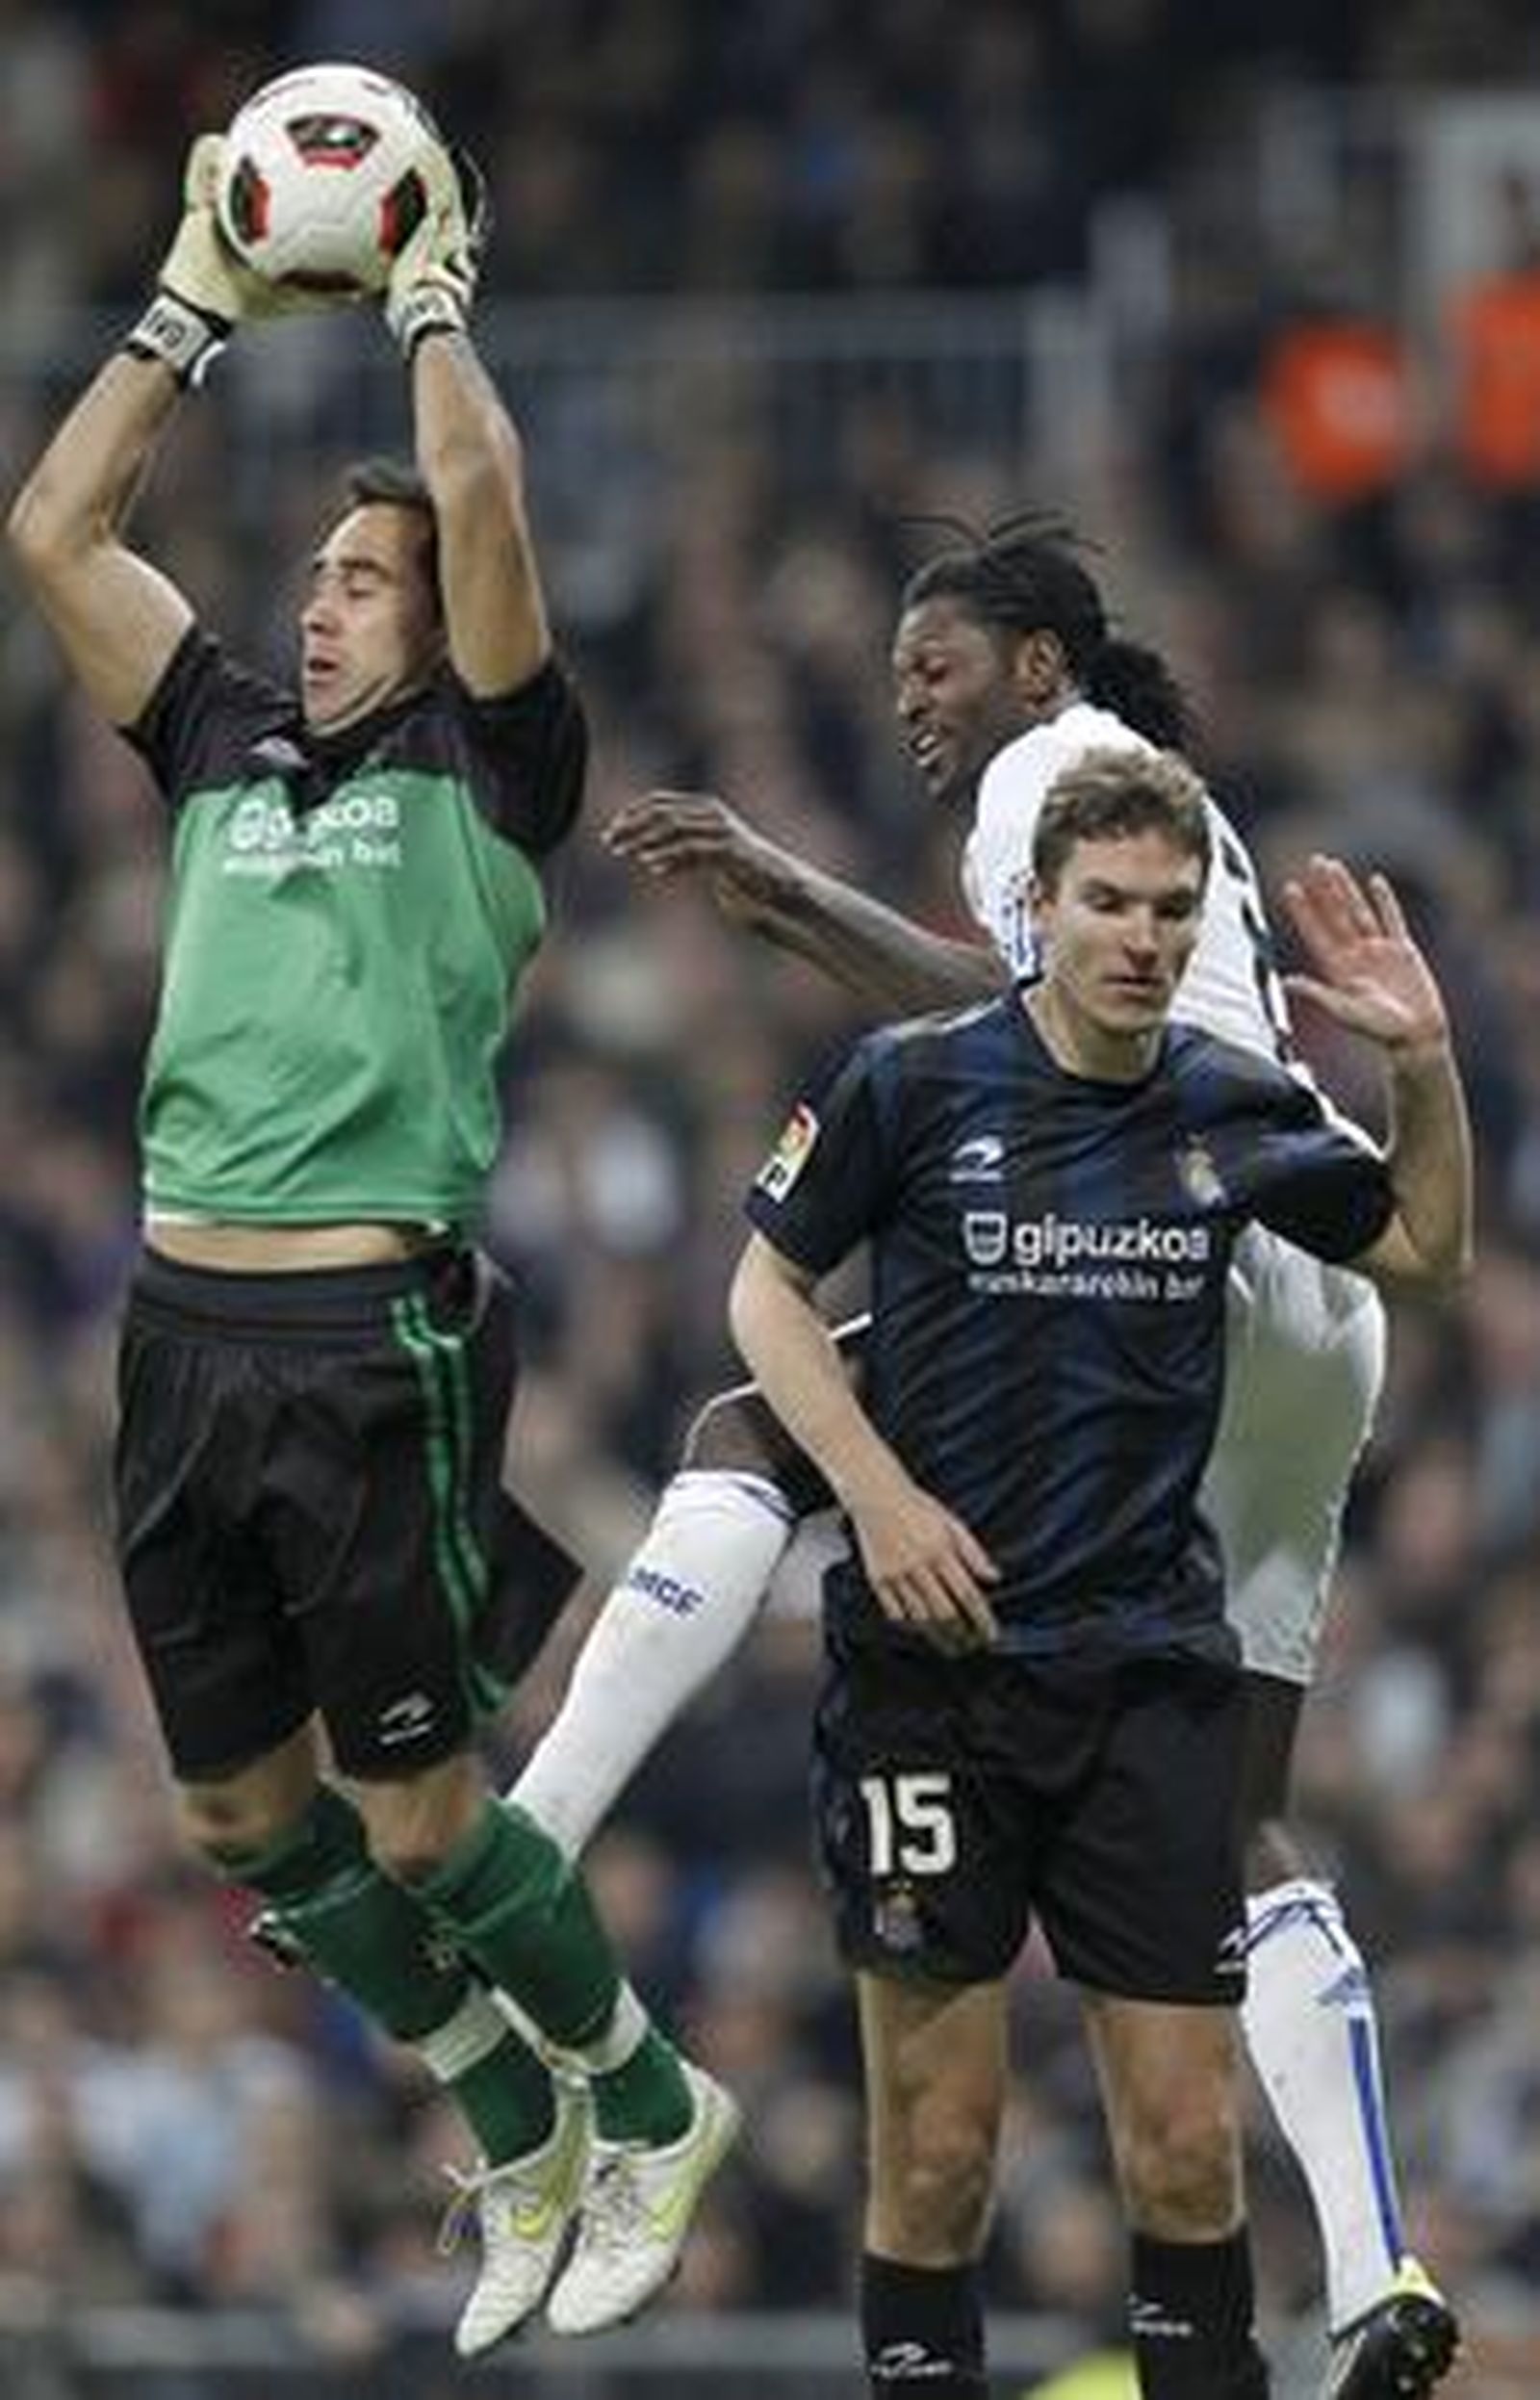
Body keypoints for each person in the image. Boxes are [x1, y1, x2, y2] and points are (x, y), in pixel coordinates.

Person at [510, 521, 1459, 2395]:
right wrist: (1418, 1073)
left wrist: (782, 889)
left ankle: (528, 1839)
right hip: (1308, 1306)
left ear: (1035, 663)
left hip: (1173, 1246)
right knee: (1244, 1816)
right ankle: (1369, 2267)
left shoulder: (1063, 777)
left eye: (928, 667)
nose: (910, 707)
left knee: (745, 1426)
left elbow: (998, 1039)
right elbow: (1407, 1243)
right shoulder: (1186, 838)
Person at [4, 131, 735, 2354]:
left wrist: (424, 296)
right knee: (242, 1815)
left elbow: (485, 511)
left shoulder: (489, 764)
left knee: (420, 1825)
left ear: (433, 629)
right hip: (177, 1324)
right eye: (316, 570)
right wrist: (192, 299)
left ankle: (647, 2093)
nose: (323, 594)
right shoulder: (221, 737)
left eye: (360, 577)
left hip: (361, 1332)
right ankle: (512, 2120)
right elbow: (51, 532)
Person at [729, 750, 1473, 2399]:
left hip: (1142, 1681)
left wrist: (1422, 1069)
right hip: (931, 1685)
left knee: (1191, 2154)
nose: (1141, 938)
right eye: (1109, 905)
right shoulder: (908, 1086)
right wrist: (880, 1497)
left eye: (1170, 910)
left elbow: (1424, 1249)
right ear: (1036, 914)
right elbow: (768, 1297)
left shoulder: (1223, 1103)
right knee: (937, 2151)